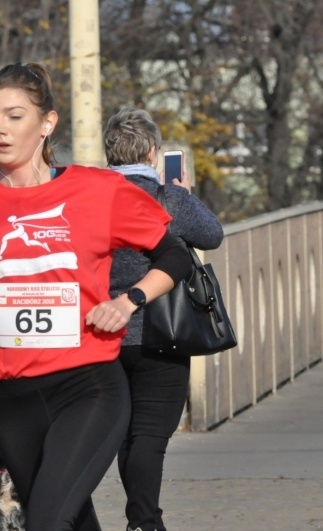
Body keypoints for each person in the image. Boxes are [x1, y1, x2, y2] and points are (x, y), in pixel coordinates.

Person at [0, 63, 190, 531]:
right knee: (71, 520)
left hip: (85, 389)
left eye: (14, 116)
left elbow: (174, 256)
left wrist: (129, 302)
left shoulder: (96, 189)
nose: (1, 129)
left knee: (45, 522)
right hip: (10, 397)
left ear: (47, 124)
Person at [103, 108, 224, 531]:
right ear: (154, 152)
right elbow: (212, 236)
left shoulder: (94, 195)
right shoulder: (168, 198)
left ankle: (142, 517)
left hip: (105, 332)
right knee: (152, 434)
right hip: (164, 331)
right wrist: (184, 193)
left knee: (124, 433)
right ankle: (144, 521)